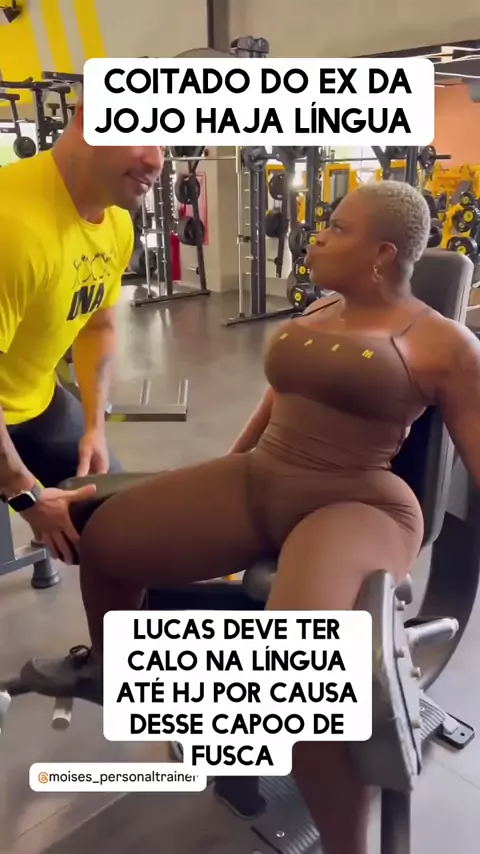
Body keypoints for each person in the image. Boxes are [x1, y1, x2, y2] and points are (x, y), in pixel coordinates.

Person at [22, 180, 480, 854]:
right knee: (111, 541)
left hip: (358, 502)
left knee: (302, 679)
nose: (316, 235)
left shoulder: (446, 345)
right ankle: (136, 682)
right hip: (264, 476)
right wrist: (216, 476)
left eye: (338, 228)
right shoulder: (321, 307)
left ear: (383, 253)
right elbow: (275, 402)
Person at [0, 104, 164, 562]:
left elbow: (98, 325)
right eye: (141, 132)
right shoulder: (12, 227)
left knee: (122, 525)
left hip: (34, 402)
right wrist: (25, 494)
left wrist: (94, 428)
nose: (156, 159)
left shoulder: (115, 222)